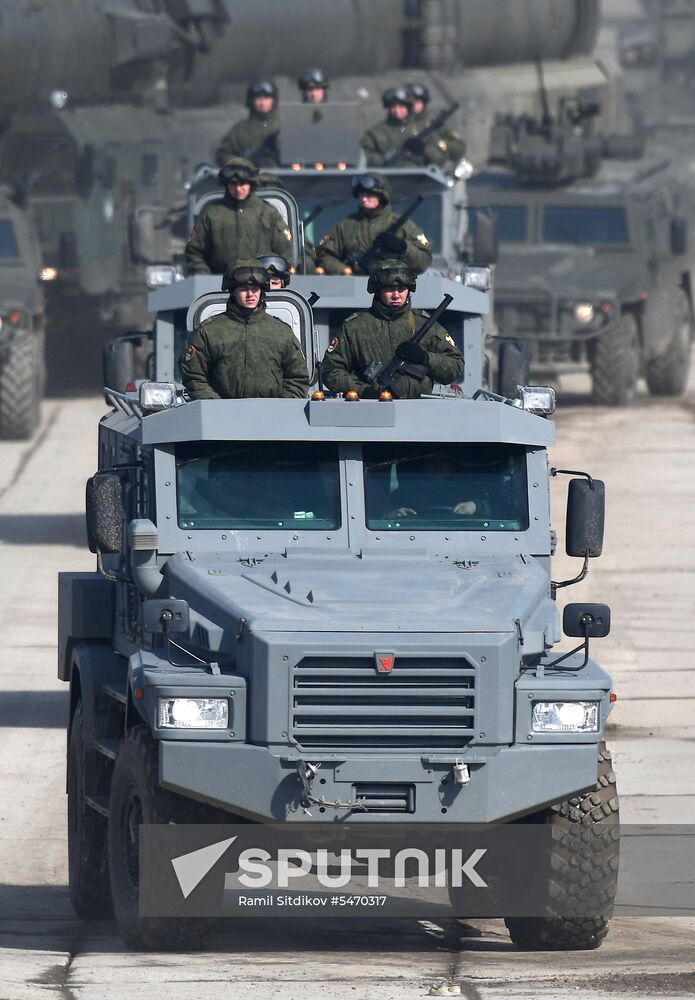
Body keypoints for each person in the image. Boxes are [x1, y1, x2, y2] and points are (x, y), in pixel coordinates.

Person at [321, 260, 464, 399]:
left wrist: (426, 358)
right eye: (390, 289)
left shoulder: (424, 324)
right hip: (370, 409)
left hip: (420, 410)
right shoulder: (356, 327)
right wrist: (363, 391)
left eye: (401, 289)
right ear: (377, 290)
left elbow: (456, 365)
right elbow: (331, 370)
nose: (396, 295)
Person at [179, 260, 310, 399]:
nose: (250, 295)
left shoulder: (282, 332)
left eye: (255, 289)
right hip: (220, 415)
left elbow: (297, 378)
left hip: (273, 415)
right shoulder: (208, 332)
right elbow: (194, 376)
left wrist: (279, 407)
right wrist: (215, 406)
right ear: (233, 291)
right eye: (243, 289)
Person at [185, 157, 293, 275]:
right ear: (226, 184)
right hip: (219, 285)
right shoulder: (212, 214)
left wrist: (273, 278)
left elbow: (286, 253)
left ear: (251, 183)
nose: (238, 189)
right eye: (233, 184)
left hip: (260, 285)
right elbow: (194, 252)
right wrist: (203, 275)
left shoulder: (268, 213)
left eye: (243, 183)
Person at [315, 172, 431, 276]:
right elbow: (323, 254)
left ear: (382, 196)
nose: (364, 199)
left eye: (369, 195)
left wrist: (403, 248)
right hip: (353, 288)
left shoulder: (402, 226)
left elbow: (423, 261)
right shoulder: (345, 226)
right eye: (361, 195)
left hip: (393, 288)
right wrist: (344, 271)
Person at [216, 80, 280, 168]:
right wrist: (242, 164)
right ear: (251, 101)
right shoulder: (240, 129)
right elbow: (223, 154)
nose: (263, 103)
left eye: (266, 98)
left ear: (273, 101)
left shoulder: (282, 125)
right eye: (259, 99)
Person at [405, 83, 466, 169]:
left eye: (417, 102)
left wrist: (439, 144)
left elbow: (459, 148)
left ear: (423, 103)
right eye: (410, 102)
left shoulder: (432, 125)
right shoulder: (400, 126)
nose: (414, 105)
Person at [361, 87, 415, 167]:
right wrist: (382, 159)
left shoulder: (418, 128)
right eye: (393, 107)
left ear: (408, 108)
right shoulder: (375, 133)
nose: (397, 111)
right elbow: (365, 154)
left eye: (401, 107)